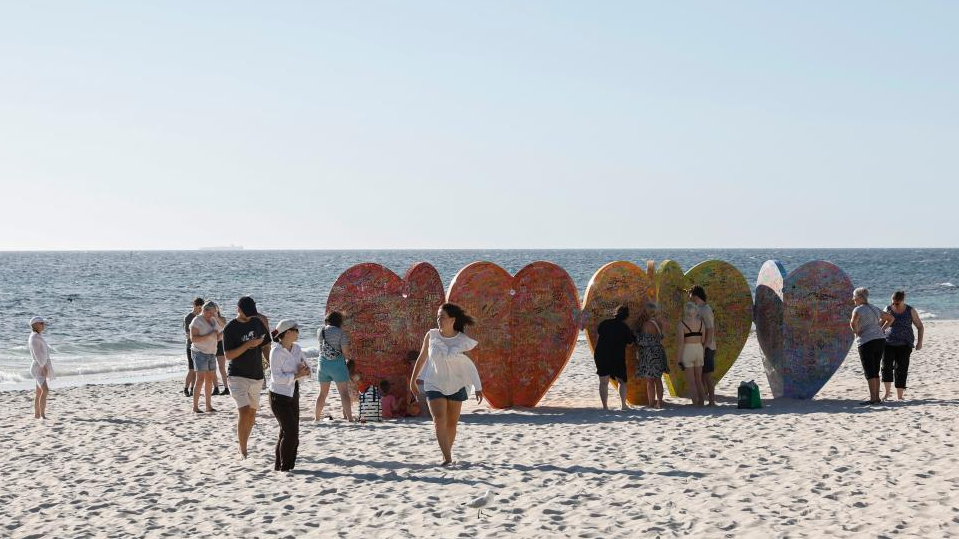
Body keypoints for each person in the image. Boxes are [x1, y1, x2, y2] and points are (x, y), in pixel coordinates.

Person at [409, 303, 483, 466]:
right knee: (439, 419)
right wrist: (413, 380)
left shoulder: (462, 340)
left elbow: (469, 364)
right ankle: (447, 458)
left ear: (452, 320)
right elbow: (422, 358)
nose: (438, 320)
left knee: (451, 423)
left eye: (442, 317)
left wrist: (478, 387)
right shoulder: (431, 335)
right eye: (437, 317)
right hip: (434, 383)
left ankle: (446, 452)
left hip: (457, 385)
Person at [223, 296, 271, 459]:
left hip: (257, 374)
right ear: (238, 309)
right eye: (247, 313)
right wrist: (248, 345)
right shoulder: (230, 328)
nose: (250, 316)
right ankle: (242, 449)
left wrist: (272, 363)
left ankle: (244, 444)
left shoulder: (257, 322)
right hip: (237, 375)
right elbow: (228, 355)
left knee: (251, 414)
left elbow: (266, 345)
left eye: (252, 313)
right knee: (244, 411)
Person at [269, 320, 311, 472]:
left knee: (289, 431)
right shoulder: (276, 352)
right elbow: (276, 378)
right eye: (296, 330)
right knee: (290, 432)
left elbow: (307, 366)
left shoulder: (297, 348)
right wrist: (297, 375)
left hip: (293, 392)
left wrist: (306, 370)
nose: (298, 333)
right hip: (278, 396)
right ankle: (284, 468)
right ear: (287, 333)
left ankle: (283, 467)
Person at [850, 287, 895, 405]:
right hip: (880, 340)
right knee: (875, 369)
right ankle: (877, 398)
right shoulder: (874, 308)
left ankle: (873, 398)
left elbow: (852, 323)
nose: (853, 299)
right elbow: (891, 318)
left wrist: (857, 332)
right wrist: (881, 329)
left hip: (866, 341)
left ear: (859, 297)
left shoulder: (857, 309)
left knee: (869, 370)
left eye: (854, 296)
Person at [880, 290, 924, 401]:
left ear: (903, 300)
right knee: (886, 368)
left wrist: (919, 342)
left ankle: (899, 396)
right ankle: (887, 393)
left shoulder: (910, 310)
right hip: (888, 343)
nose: (894, 304)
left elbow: (920, 326)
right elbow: (880, 325)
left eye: (896, 303)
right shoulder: (888, 309)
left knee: (901, 369)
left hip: (905, 344)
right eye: (892, 302)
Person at [314, 312, 354, 422]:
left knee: (322, 393)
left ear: (328, 320)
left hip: (323, 365)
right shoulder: (341, 333)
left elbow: (322, 347)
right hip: (337, 365)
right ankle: (350, 418)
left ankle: (316, 418)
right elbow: (345, 353)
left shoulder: (320, 331)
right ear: (339, 321)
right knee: (344, 393)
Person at [593, 305, 634, 411]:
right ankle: (623, 405)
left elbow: (597, 338)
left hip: (601, 354)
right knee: (621, 381)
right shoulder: (624, 327)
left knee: (603, 382)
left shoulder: (604, 323)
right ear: (626, 316)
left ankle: (605, 407)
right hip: (617, 355)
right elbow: (630, 343)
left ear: (616, 313)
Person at [189, 301, 222, 414]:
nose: (212, 315)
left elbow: (218, 337)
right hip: (199, 352)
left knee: (209, 380)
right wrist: (210, 335)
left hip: (211, 352)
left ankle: (208, 406)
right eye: (211, 313)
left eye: (214, 313)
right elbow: (193, 339)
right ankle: (195, 407)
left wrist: (219, 335)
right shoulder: (197, 321)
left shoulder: (213, 320)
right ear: (204, 310)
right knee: (200, 380)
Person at [635, 301, 668, 409]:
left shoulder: (646, 324)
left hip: (649, 354)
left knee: (650, 381)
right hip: (658, 351)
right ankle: (660, 402)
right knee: (658, 379)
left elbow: (642, 340)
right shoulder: (658, 323)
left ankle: (651, 403)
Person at [689, 286, 717, 406]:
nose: (690, 298)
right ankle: (703, 400)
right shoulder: (699, 308)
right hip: (701, 346)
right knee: (701, 375)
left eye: (691, 295)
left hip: (707, 347)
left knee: (707, 375)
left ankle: (712, 401)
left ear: (696, 295)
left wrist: (704, 347)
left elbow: (710, 330)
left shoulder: (705, 309)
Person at [676, 301, 706, 407]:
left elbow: (681, 344)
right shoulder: (701, 323)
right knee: (699, 380)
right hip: (699, 349)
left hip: (688, 350)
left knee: (691, 381)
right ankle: (701, 402)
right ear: (695, 311)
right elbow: (703, 340)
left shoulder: (681, 325)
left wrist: (679, 360)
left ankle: (695, 404)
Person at [29, 316, 54, 419]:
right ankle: (42, 416)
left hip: (40, 365)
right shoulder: (34, 338)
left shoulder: (37, 336)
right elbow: (37, 354)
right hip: (39, 367)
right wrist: (43, 367)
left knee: (39, 392)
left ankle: (37, 415)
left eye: (44, 323)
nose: (44, 325)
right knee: (45, 390)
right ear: (35, 325)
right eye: (41, 323)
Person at [183, 298, 204, 396]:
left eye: (201, 308)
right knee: (191, 369)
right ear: (194, 306)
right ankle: (186, 389)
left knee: (196, 370)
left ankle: (192, 389)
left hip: (199, 346)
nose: (200, 310)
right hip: (190, 346)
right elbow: (188, 334)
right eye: (199, 308)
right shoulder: (189, 317)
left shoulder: (201, 317)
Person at [213, 306, 230, 396]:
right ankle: (216, 388)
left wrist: (216, 317)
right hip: (211, 343)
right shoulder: (207, 319)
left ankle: (226, 388)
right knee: (212, 368)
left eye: (215, 309)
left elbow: (225, 328)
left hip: (220, 344)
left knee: (221, 368)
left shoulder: (222, 318)